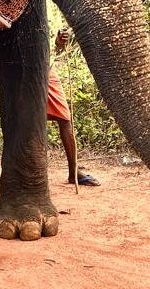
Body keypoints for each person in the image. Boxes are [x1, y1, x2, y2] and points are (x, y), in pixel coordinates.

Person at [49, 28, 100, 187]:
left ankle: (74, 172)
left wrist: (59, 42)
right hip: (27, 73)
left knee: (65, 119)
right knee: (30, 121)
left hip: (48, 72)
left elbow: (54, 49)